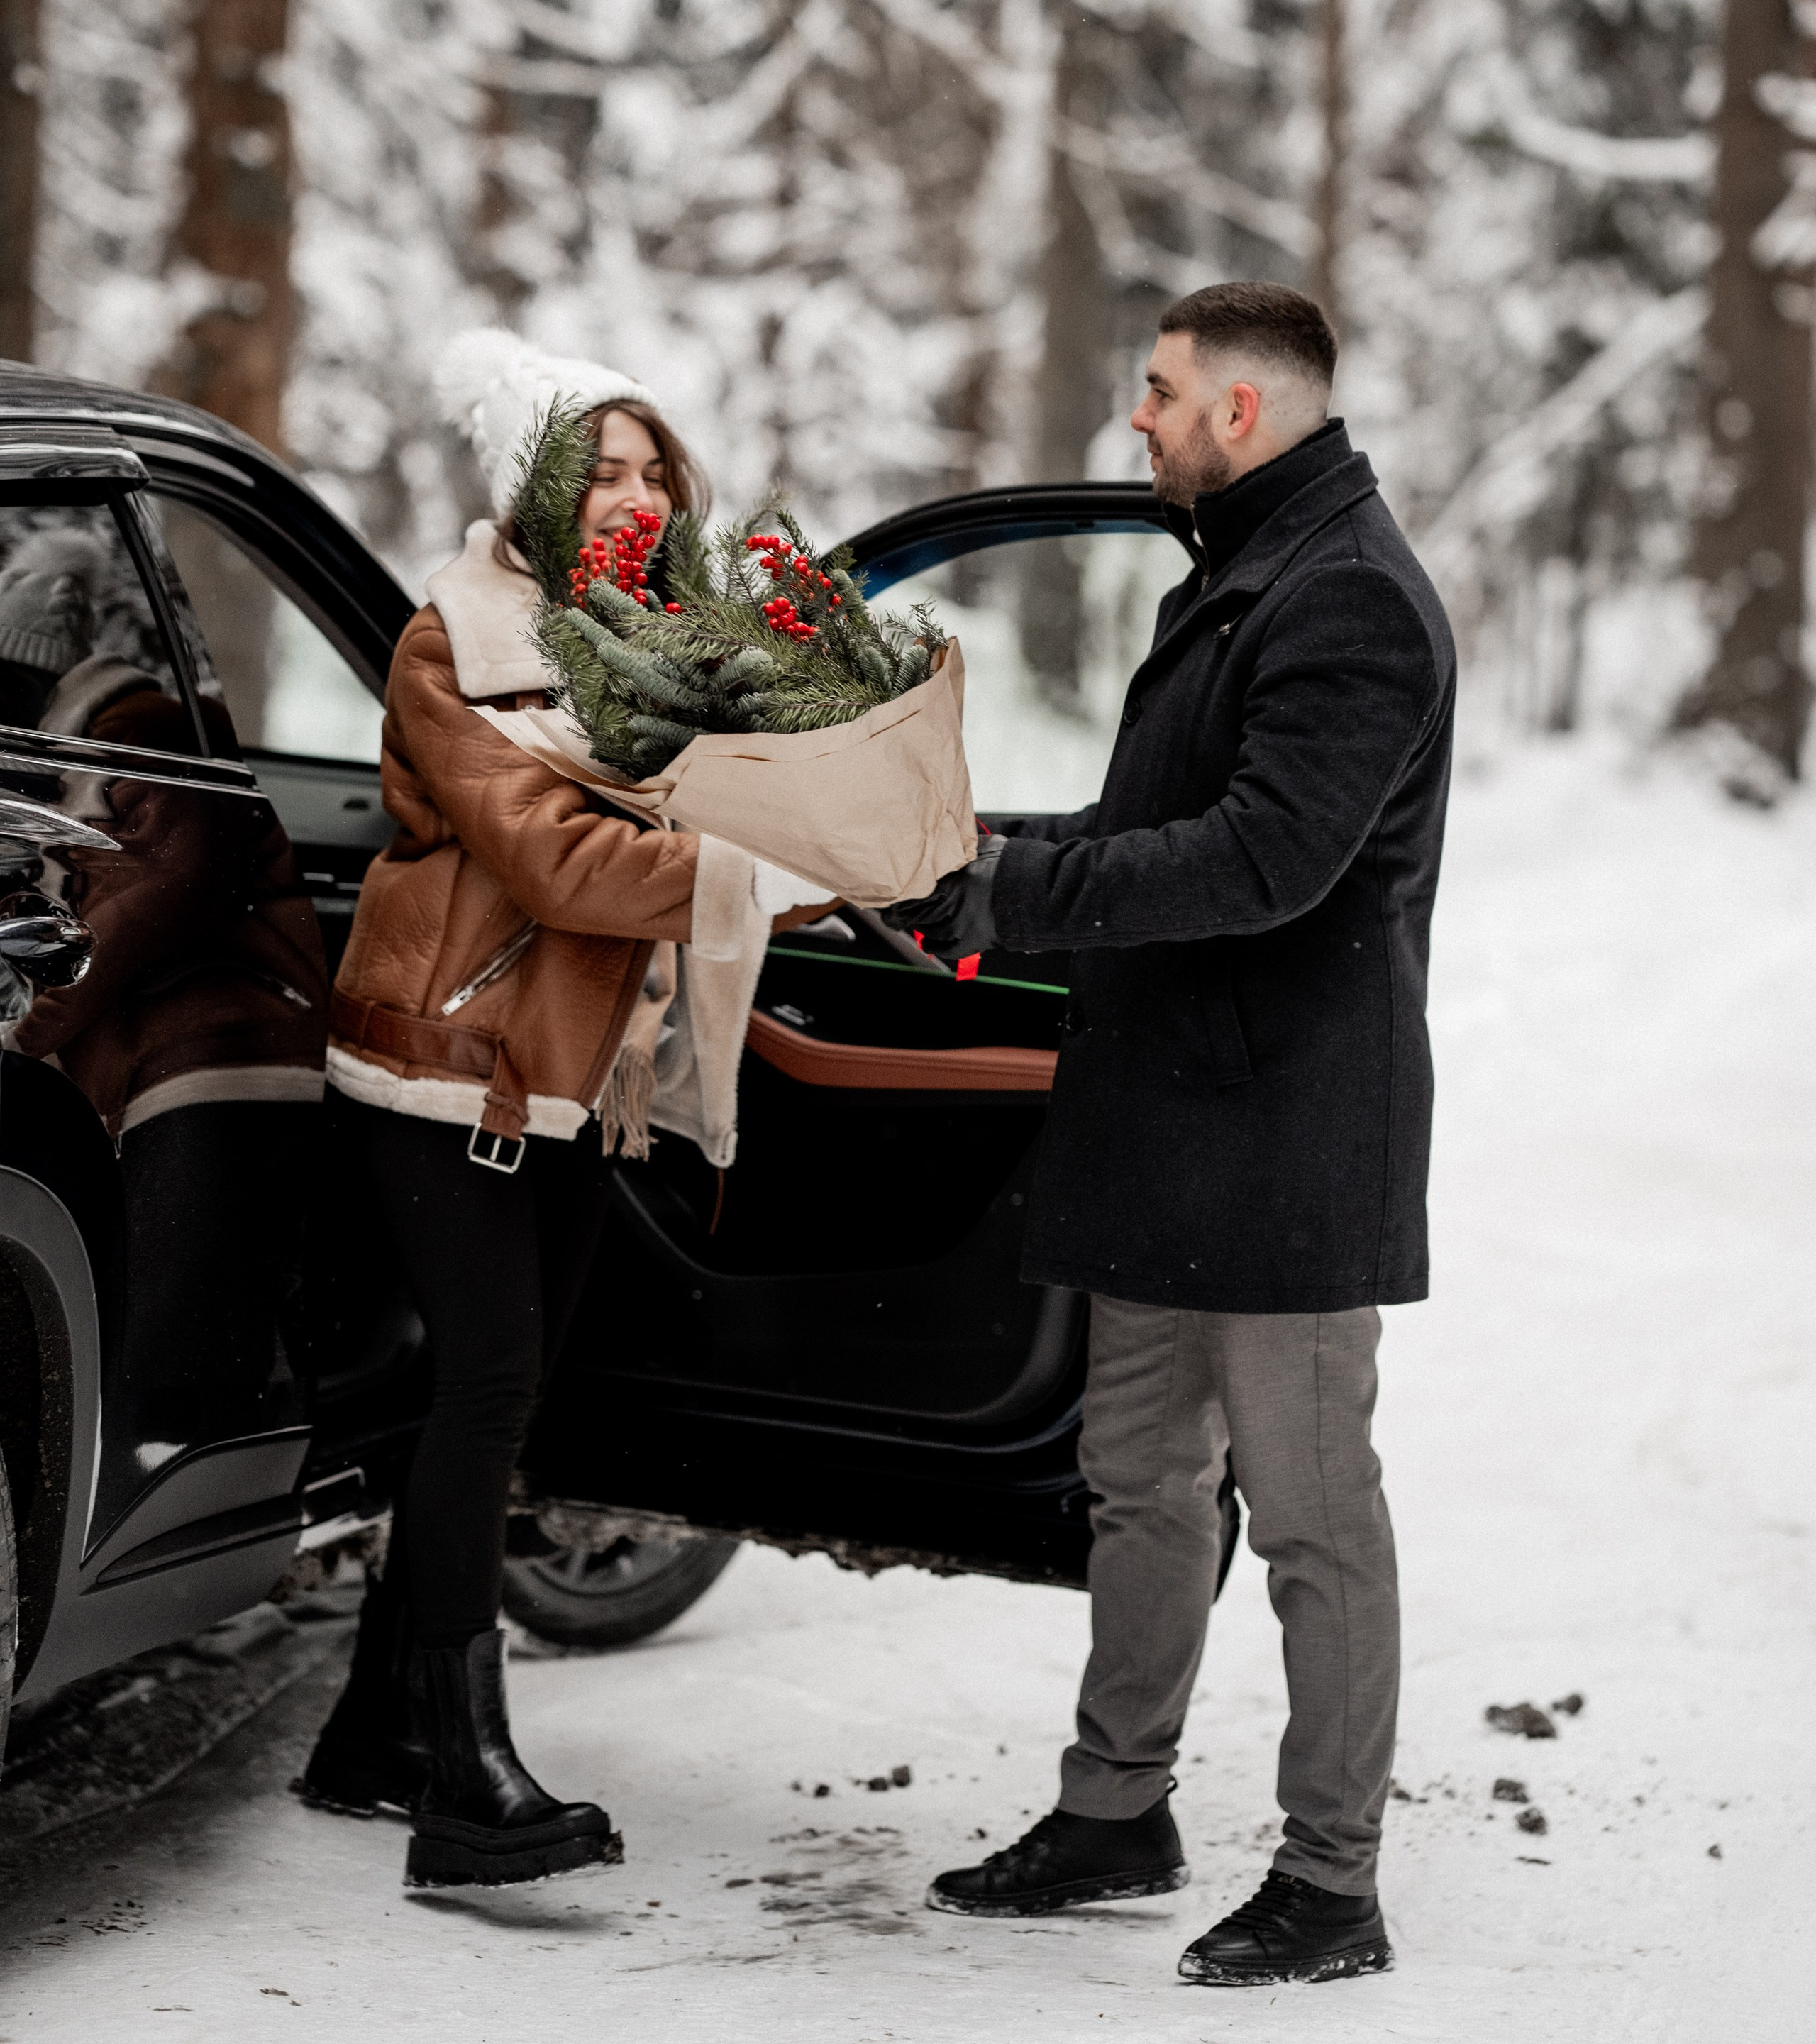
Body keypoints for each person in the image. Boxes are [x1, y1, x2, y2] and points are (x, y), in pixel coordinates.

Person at [892, 281, 1455, 1988]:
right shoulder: (1239, 577)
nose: (1132, 418)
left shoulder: (1346, 599)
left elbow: (1260, 863)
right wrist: (963, 841)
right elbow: (1164, 822)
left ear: (1240, 412)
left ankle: (1332, 1879)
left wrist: (1009, 891)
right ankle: (1113, 1808)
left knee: (1304, 1511)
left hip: (1284, 1140)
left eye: (1155, 391)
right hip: (1169, 1123)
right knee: (1137, 1484)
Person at [297, 332, 821, 1893]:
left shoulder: (664, 641)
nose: (639, 494)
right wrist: (750, 869)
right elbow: (553, 861)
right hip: (451, 1060)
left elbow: (714, 832)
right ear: (534, 481)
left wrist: (820, 825)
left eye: (655, 467)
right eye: (603, 469)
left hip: (578, 1082)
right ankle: (464, 1781)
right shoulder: (451, 642)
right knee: (485, 1385)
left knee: (511, 1398)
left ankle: (370, 1733)